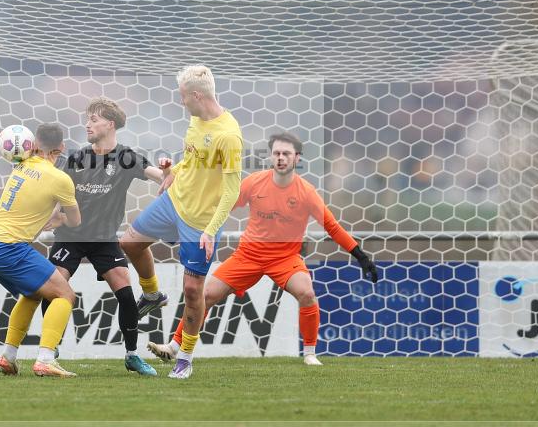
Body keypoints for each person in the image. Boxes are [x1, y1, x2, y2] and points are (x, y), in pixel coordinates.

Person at [147, 132, 378, 366]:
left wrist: (360, 256)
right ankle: (175, 346)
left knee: (307, 293)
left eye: (286, 154)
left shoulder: (306, 192)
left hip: (285, 258)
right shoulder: (255, 182)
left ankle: (310, 353)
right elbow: (223, 206)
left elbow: (332, 226)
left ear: (297, 158)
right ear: (271, 156)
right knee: (206, 294)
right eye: (276, 153)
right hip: (248, 255)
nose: (281, 158)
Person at [120, 65, 243, 379]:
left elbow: (232, 190)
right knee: (129, 243)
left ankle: (185, 358)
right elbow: (192, 158)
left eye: (183, 96)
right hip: (173, 201)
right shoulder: (195, 119)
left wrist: (211, 230)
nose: (181, 101)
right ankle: (151, 294)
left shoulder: (228, 135)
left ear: (197, 95)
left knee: (192, 291)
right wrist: (173, 169)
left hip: (200, 223)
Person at [40, 97, 172, 376]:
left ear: (110, 125)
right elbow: (55, 190)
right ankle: (50, 351)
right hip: (70, 236)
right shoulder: (75, 159)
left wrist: (170, 175)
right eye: (87, 119)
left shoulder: (126, 157)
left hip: (103, 238)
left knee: (124, 289)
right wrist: (51, 215)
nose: (87, 124)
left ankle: (132, 355)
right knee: (53, 286)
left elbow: (158, 175)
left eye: (94, 119)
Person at [0, 123, 81, 378]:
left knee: (33, 294)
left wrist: (50, 213)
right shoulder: (60, 179)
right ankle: (46, 359)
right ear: (62, 148)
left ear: (33, 145)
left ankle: (8, 357)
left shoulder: (21, 163)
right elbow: (76, 221)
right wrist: (62, 218)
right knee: (65, 295)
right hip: (8, 247)